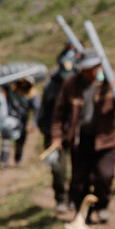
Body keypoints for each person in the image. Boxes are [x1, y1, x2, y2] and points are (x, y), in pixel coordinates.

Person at [52, 54, 115, 223]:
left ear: (98, 67)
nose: (87, 73)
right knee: (79, 181)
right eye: (84, 69)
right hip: (80, 140)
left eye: (90, 69)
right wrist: (57, 137)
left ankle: (102, 206)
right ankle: (82, 213)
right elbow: (59, 114)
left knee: (104, 176)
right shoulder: (71, 84)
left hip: (105, 139)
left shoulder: (111, 81)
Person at [37, 48, 78, 213]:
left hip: (74, 132)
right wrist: (48, 132)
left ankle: (74, 198)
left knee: (78, 169)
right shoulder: (51, 86)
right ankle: (60, 198)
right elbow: (44, 111)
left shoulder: (79, 85)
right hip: (54, 134)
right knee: (58, 169)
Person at [5, 77, 35, 164]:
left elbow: (36, 108)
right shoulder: (13, 91)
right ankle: (5, 160)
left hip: (23, 120)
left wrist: (34, 122)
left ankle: (18, 159)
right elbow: (6, 88)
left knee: (21, 140)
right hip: (11, 118)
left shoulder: (30, 94)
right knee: (7, 139)